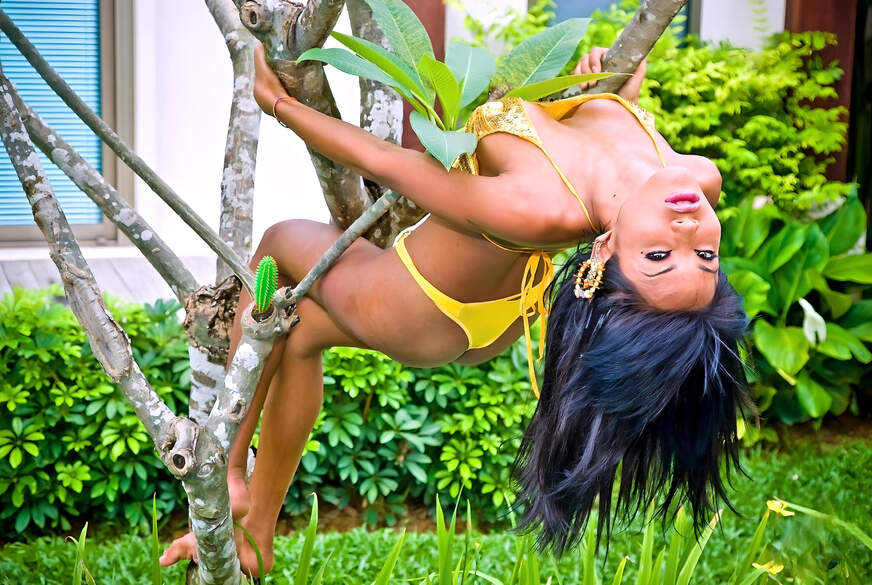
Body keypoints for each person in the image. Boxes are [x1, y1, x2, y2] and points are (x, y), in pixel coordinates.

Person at [161, 44, 756, 574]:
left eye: (658, 256)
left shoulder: (539, 207)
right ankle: (258, 536)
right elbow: (602, 150)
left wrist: (280, 106)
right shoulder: (693, 182)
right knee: (300, 337)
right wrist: (616, 95)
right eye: (704, 256)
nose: (686, 229)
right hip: (499, 304)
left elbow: (394, 165)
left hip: (421, 305)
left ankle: (231, 471)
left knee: (279, 243)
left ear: (604, 251)